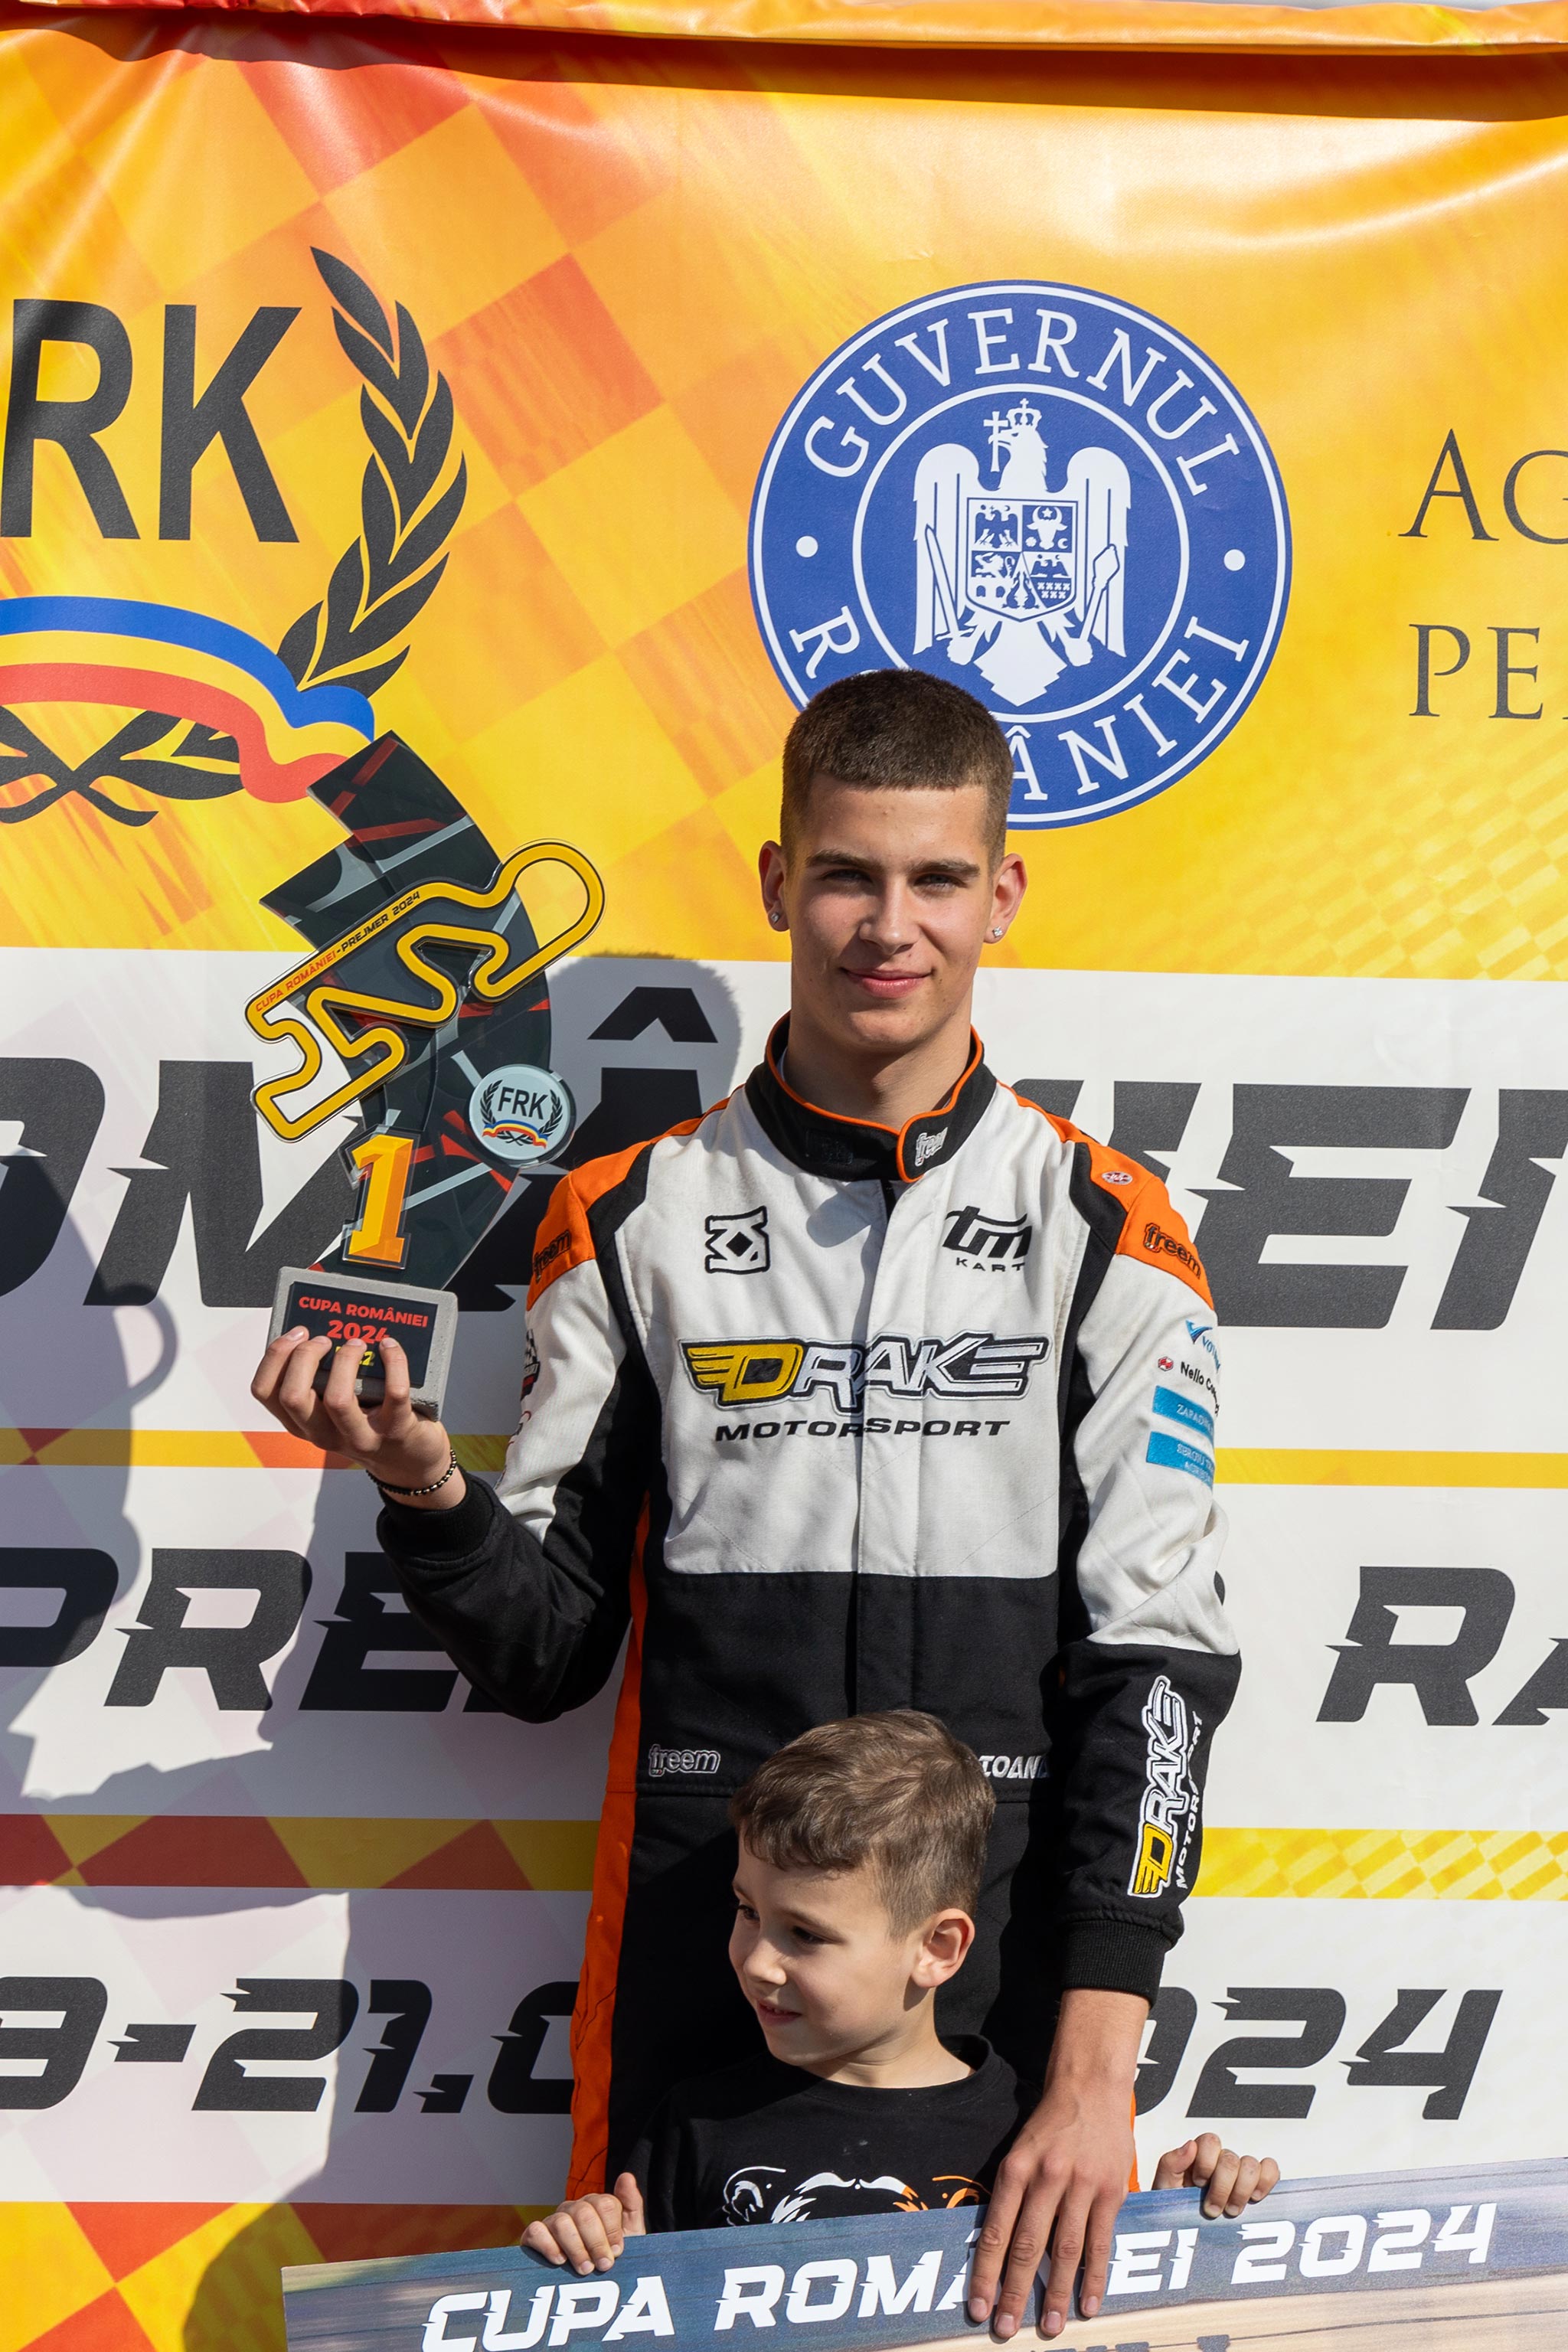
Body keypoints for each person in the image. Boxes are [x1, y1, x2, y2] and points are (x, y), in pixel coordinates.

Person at [251, 666, 1240, 2340]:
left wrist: (1094, 2068)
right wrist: (423, 1488)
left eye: (935, 879)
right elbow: (546, 1651)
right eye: (847, 874)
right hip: (712, 1965)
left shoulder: (1107, 1230)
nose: (889, 927)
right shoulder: (626, 1217)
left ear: (1003, 893)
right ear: (778, 881)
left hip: (990, 1981)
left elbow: (1156, 1682)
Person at [521, 1715, 1276, 2306]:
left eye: (804, 1934)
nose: (755, 1961)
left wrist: (1183, 2228)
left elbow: (1102, 2313)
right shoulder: (694, 2123)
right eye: (747, 1911)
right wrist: (587, 2255)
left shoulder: (1030, 2138)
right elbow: (636, 2314)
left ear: (938, 1948)